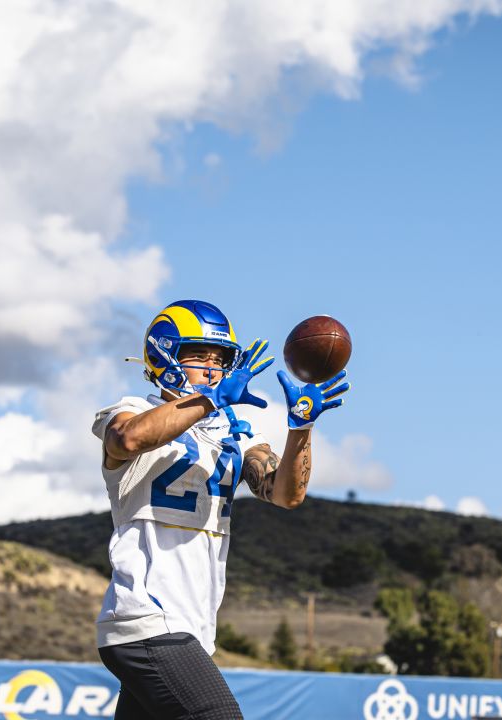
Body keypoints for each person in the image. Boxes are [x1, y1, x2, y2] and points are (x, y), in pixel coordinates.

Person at [91, 299, 349, 720]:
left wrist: (300, 428)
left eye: (221, 358)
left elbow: (286, 494)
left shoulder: (235, 430)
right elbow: (128, 440)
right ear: (164, 354)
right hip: (147, 615)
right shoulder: (132, 409)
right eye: (198, 355)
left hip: (192, 623)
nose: (212, 368)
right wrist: (208, 402)